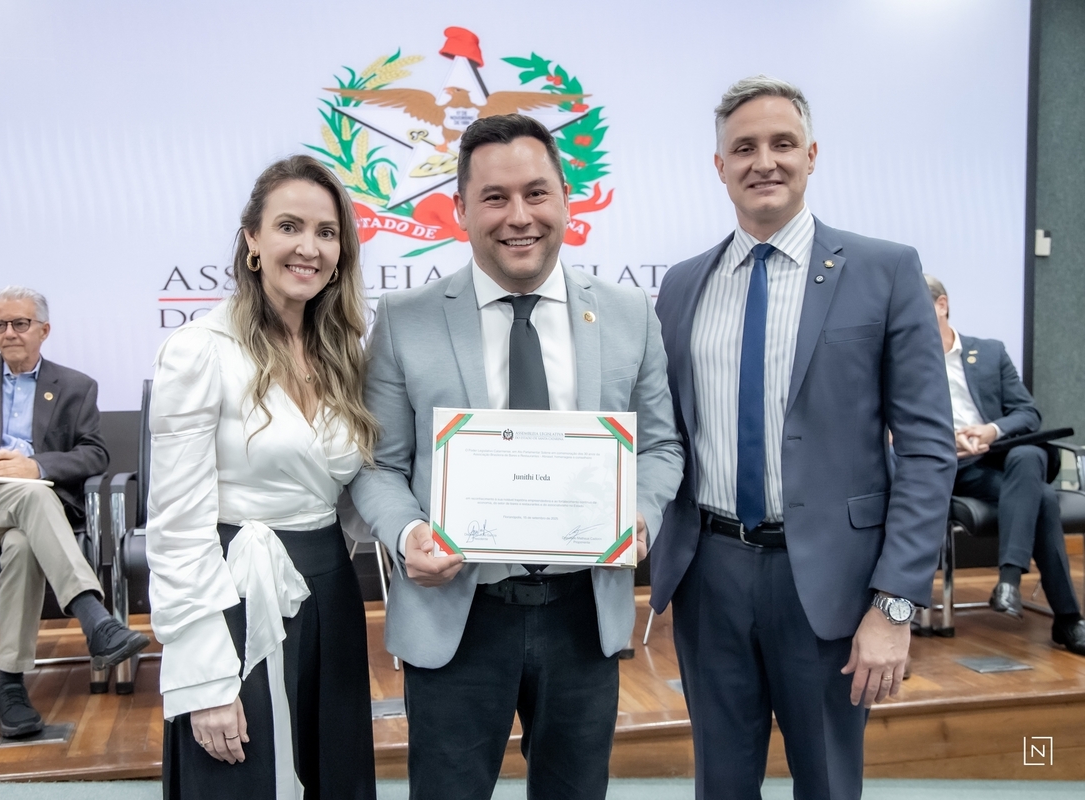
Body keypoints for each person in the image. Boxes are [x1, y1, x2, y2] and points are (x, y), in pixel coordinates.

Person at [349, 114, 684, 800]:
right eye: (495, 198)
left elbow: (660, 445)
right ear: (461, 210)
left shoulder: (628, 313)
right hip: (456, 613)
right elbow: (378, 464)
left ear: (567, 199)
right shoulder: (407, 318)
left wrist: (640, 513)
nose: (519, 217)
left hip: (583, 613)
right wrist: (408, 534)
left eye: (536, 193)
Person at [652, 76, 956, 799]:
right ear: (718, 165)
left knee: (826, 783)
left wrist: (895, 605)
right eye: (744, 148)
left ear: (811, 156)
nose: (765, 161)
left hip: (832, 584)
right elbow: (663, 433)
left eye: (783, 143)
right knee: (721, 784)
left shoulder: (885, 271)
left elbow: (926, 449)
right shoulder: (683, 285)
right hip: (709, 573)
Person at [146, 155, 378, 800]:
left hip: (331, 590)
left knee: (334, 774)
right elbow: (176, 529)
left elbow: (354, 493)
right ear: (252, 239)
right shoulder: (199, 349)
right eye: (289, 227)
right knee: (238, 780)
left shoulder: (344, 353)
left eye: (327, 232)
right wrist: (205, 678)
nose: (309, 248)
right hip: (233, 600)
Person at [0, 286, 149, 738]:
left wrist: (36, 466)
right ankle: (93, 617)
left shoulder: (75, 386)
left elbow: (94, 454)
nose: (9, 333)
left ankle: (9, 687)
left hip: (33, 515)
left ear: (44, 330)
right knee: (32, 497)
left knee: (22, 541)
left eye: (20, 323)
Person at [927, 274, 1085, 654]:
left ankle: (1010, 584)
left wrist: (992, 430)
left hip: (1003, 459)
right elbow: (895, 426)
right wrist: (950, 438)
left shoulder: (990, 352)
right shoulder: (906, 362)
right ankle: (1062, 616)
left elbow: (1028, 413)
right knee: (1042, 498)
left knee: (1028, 453)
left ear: (942, 305)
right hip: (956, 467)